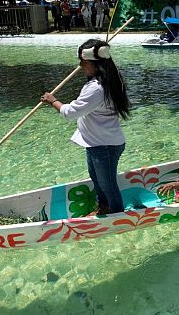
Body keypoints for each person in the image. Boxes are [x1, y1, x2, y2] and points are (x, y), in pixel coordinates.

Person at [40, 39, 131, 215]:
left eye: (83, 62)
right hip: (97, 142)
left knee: (108, 185)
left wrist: (53, 101)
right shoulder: (110, 79)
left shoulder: (97, 88)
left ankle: (117, 215)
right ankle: (103, 208)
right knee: (97, 180)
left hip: (104, 145)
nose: (80, 65)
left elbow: (70, 113)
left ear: (94, 64)